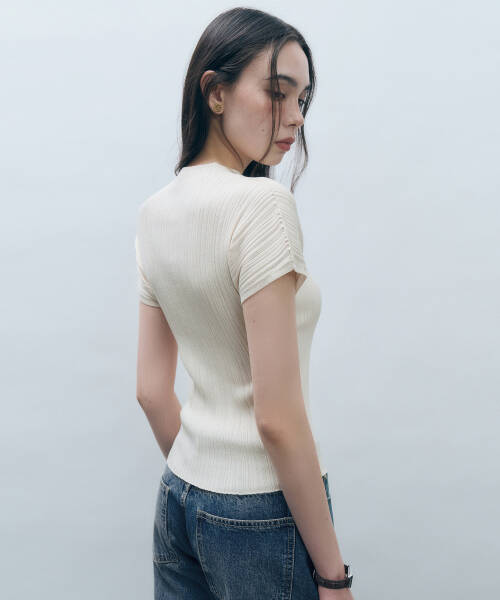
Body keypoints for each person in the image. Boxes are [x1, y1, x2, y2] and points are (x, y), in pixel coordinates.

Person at [135, 7, 355, 599]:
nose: (296, 116)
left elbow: (151, 391)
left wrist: (205, 484)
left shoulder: (154, 212)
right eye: (278, 93)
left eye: (303, 99)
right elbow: (276, 418)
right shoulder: (261, 206)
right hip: (260, 508)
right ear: (215, 92)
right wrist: (334, 578)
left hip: (179, 496)